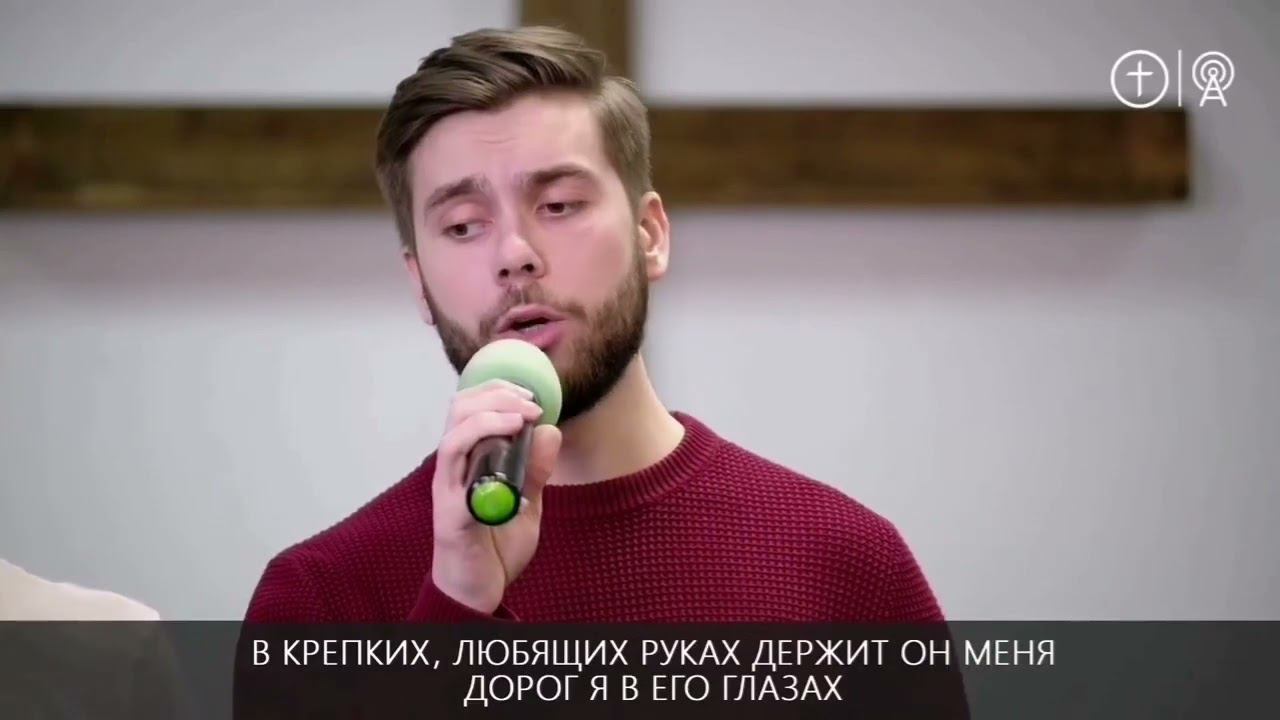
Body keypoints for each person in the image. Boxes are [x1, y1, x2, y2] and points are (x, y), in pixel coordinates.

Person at [245, 26, 945, 624]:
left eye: (558, 206)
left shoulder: (849, 568)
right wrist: (458, 603)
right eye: (462, 226)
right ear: (418, 282)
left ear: (650, 235)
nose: (515, 254)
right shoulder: (317, 600)